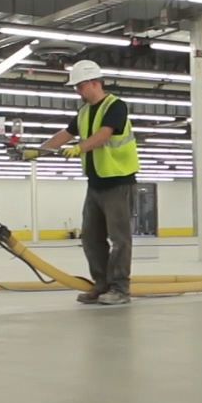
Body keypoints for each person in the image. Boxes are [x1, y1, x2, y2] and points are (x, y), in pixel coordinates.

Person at [26, 60, 139, 305]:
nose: (77, 91)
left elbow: (105, 134)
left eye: (80, 86)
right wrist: (39, 150)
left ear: (95, 83)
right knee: (90, 238)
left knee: (120, 239)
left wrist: (80, 148)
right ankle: (101, 285)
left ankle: (120, 289)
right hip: (96, 183)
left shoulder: (116, 106)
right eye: (76, 87)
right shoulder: (85, 111)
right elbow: (65, 134)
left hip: (118, 182)